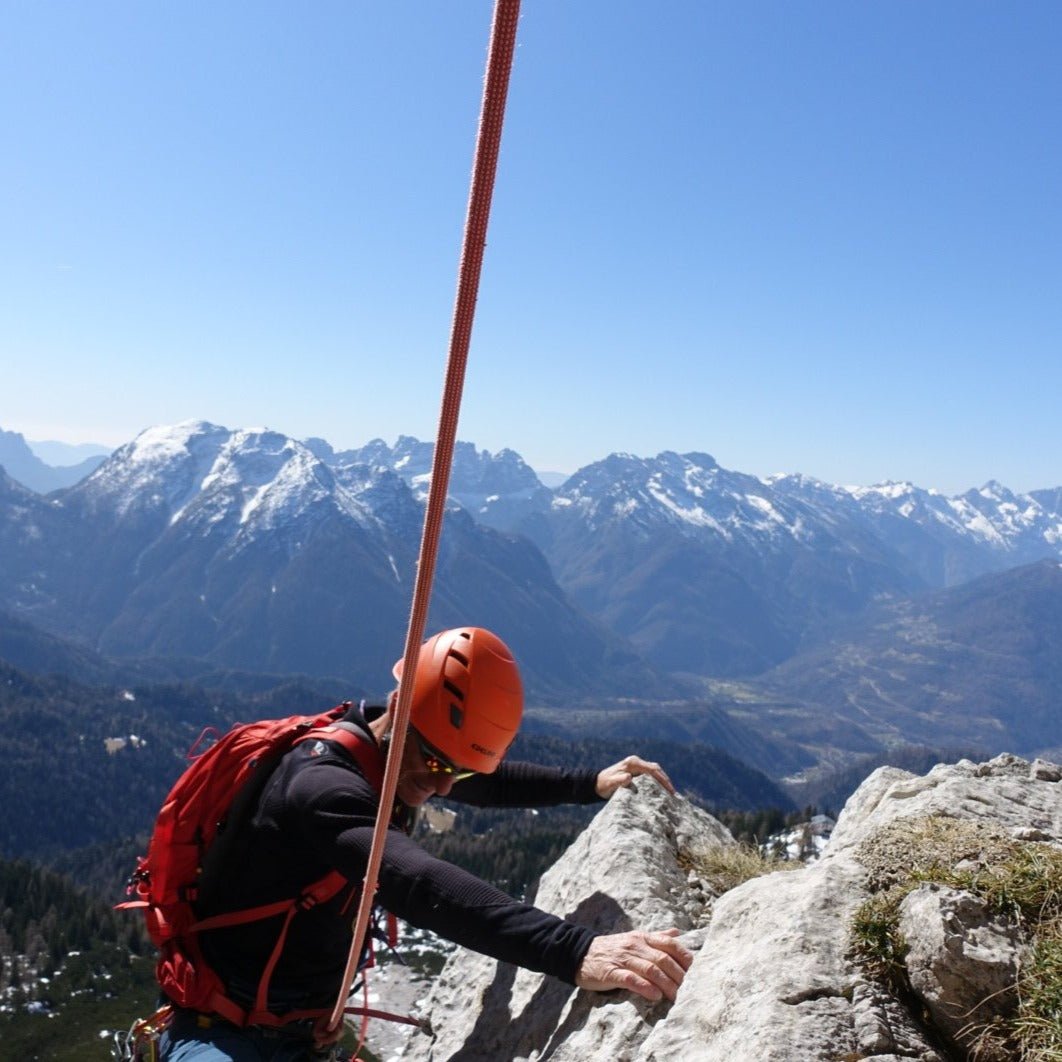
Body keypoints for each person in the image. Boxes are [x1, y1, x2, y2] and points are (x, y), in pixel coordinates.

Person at [158, 627, 693, 1060]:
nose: (441, 787)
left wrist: (587, 783)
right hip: (221, 1034)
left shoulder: (390, 747)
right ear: (399, 703)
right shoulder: (322, 790)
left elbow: (480, 779)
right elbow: (415, 882)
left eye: (456, 772)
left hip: (301, 1031)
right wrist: (577, 949)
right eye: (437, 764)